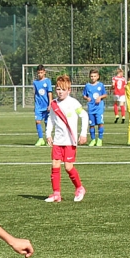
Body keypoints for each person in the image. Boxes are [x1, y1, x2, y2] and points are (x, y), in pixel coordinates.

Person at [45, 75, 88, 203]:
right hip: (58, 141)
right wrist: (48, 134)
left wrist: (83, 133)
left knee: (68, 167)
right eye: (58, 89)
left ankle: (79, 188)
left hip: (70, 141)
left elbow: (84, 116)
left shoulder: (73, 103)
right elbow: (51, 119)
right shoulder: (54, 104)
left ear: (69, 90)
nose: (60, 92)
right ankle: (56, 193)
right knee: (55, 165)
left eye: (63, 89)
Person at [82, 69, 106, 147]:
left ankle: (99, 139)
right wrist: (87, 98)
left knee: (100, 123)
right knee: (91, 124)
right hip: (91, 108)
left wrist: (100, 97)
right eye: (91, 76)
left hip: (99, 108)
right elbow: (84, 95)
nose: (93, 78)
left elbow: (105, 94)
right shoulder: (87, 86)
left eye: (95, 76)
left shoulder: (101, 85)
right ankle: (93, 140)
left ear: (98, 77)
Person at [32, 65, 53, 146]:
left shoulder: (48, 81)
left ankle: (48, 139)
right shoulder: (35, 82)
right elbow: (35, 94)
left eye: (41, 72)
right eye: (38, 73)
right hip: (38, 106)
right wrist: (35, 105)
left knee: (47, 123)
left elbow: (49, 93)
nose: (40, 74)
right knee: (37, 121)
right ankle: (40, 139)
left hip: (46, 105)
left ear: (44, 72)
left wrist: (50, 104)